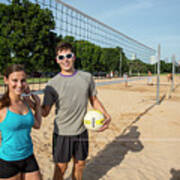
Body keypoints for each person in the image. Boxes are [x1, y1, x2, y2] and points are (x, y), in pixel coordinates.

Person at [41, 42, 111, 180]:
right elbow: (45, 112)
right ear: (57, 60)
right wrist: (33, 103)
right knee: (61, 167)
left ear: (74, 57)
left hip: (81, 130)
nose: (65, 60)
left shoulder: (86, 77)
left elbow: (94, 100)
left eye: (68, 55)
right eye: (61, 57)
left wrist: (106, 115)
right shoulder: (52, 84)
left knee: (80, 164)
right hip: (62, 133)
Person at [0, 64, 42, 180]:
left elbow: (37, 125)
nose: (19, 85)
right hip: (8, 162)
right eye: (15, 80)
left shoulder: (26, 103)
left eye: (23, 80)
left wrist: (37, 105)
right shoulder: (2, 107)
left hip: (28, 157)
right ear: (6, 80)